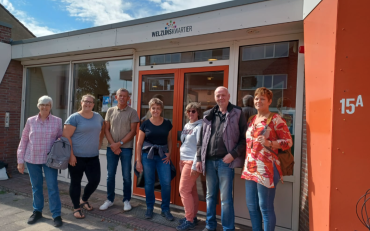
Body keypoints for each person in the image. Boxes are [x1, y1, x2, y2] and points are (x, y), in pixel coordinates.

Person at [196, 86, 247, 231]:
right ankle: (210, 225)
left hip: (226, 162)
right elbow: (201, 139)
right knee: (210, 196)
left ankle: (228, 228)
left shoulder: (237, 112)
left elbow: (244, 138)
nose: (220, 98)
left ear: (229, 96)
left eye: (223, 95)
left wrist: (233, 154)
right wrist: (199, 158)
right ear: (214, 97)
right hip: (210, 161)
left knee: (225, 200)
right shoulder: (208, 114)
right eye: (218, 95)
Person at [241, 87, 293, 231]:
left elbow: (288, 142)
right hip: (250, 167)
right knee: (252, 206)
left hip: (266, 168)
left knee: (265, 207)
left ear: (269, 101)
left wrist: (270, 143)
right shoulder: (252, 119)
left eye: (262, 98)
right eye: (257, 98)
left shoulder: (276, 119)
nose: (258, 101)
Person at [17, 95, 63, 227]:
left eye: (47, 105)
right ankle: (37, 211)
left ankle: (56, 214)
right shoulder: (31, 121)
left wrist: (60, 142)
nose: (44, 107)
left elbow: (60, 139)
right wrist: (20, 160)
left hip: (50, 161)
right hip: (32, 159)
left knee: (52, 187)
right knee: (36, 187)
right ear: (38, 106)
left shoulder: (57, 121)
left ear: (50, 107)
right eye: (42, 104)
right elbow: (24, 140)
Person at [63, 94, 105, 219]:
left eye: (90, 102)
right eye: (86, 101)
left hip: (93, 156)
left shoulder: (97, 117)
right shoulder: (74, 118)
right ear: (81, 103)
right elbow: (66, 137)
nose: (88, 104)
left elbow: (103, 129)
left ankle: (84, 199)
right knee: (76, 182)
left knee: (95, 180)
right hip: (77, 157)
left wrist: (99, 143)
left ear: (93, 104)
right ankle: (76, 208)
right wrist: (71, 155)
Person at [99, 88, 139, 211]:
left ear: (128, 98)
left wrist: (119, 144)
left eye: (125, 96)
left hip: (126, 149)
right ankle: (109, 200)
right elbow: (106, 129)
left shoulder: (133, 112)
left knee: (126, 176)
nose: (122, 98)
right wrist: (113, 145)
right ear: (116, 97)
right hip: (112, 148)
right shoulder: (110, 111)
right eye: (120, 96)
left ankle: (126, 200)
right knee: (110, 175)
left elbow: (133, 132)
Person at [135, 98, 174, 221]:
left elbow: (169, 140)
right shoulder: (145, 124)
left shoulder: (167, 123)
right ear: (150, 109)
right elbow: (139, 143)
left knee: (166, 183)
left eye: (158, 108)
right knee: (149, 183)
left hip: (163, 156)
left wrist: (170, 154)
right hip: (148, 156)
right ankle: (149, 208)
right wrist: (138, 160)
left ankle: (165, 209)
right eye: (153, 108)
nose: (155, 110)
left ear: (161, 110)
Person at [176, 102, 203, 231]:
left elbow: (200, 146)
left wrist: (195, 164)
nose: (191, 113)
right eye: (188, 111)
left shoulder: (200, 126)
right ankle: (193, 216)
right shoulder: (187, 125)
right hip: (183, 160)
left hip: (191, 161)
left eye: (193, 111)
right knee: (191, 191)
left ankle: (189, 220)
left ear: (198, 112)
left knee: (183, 190)